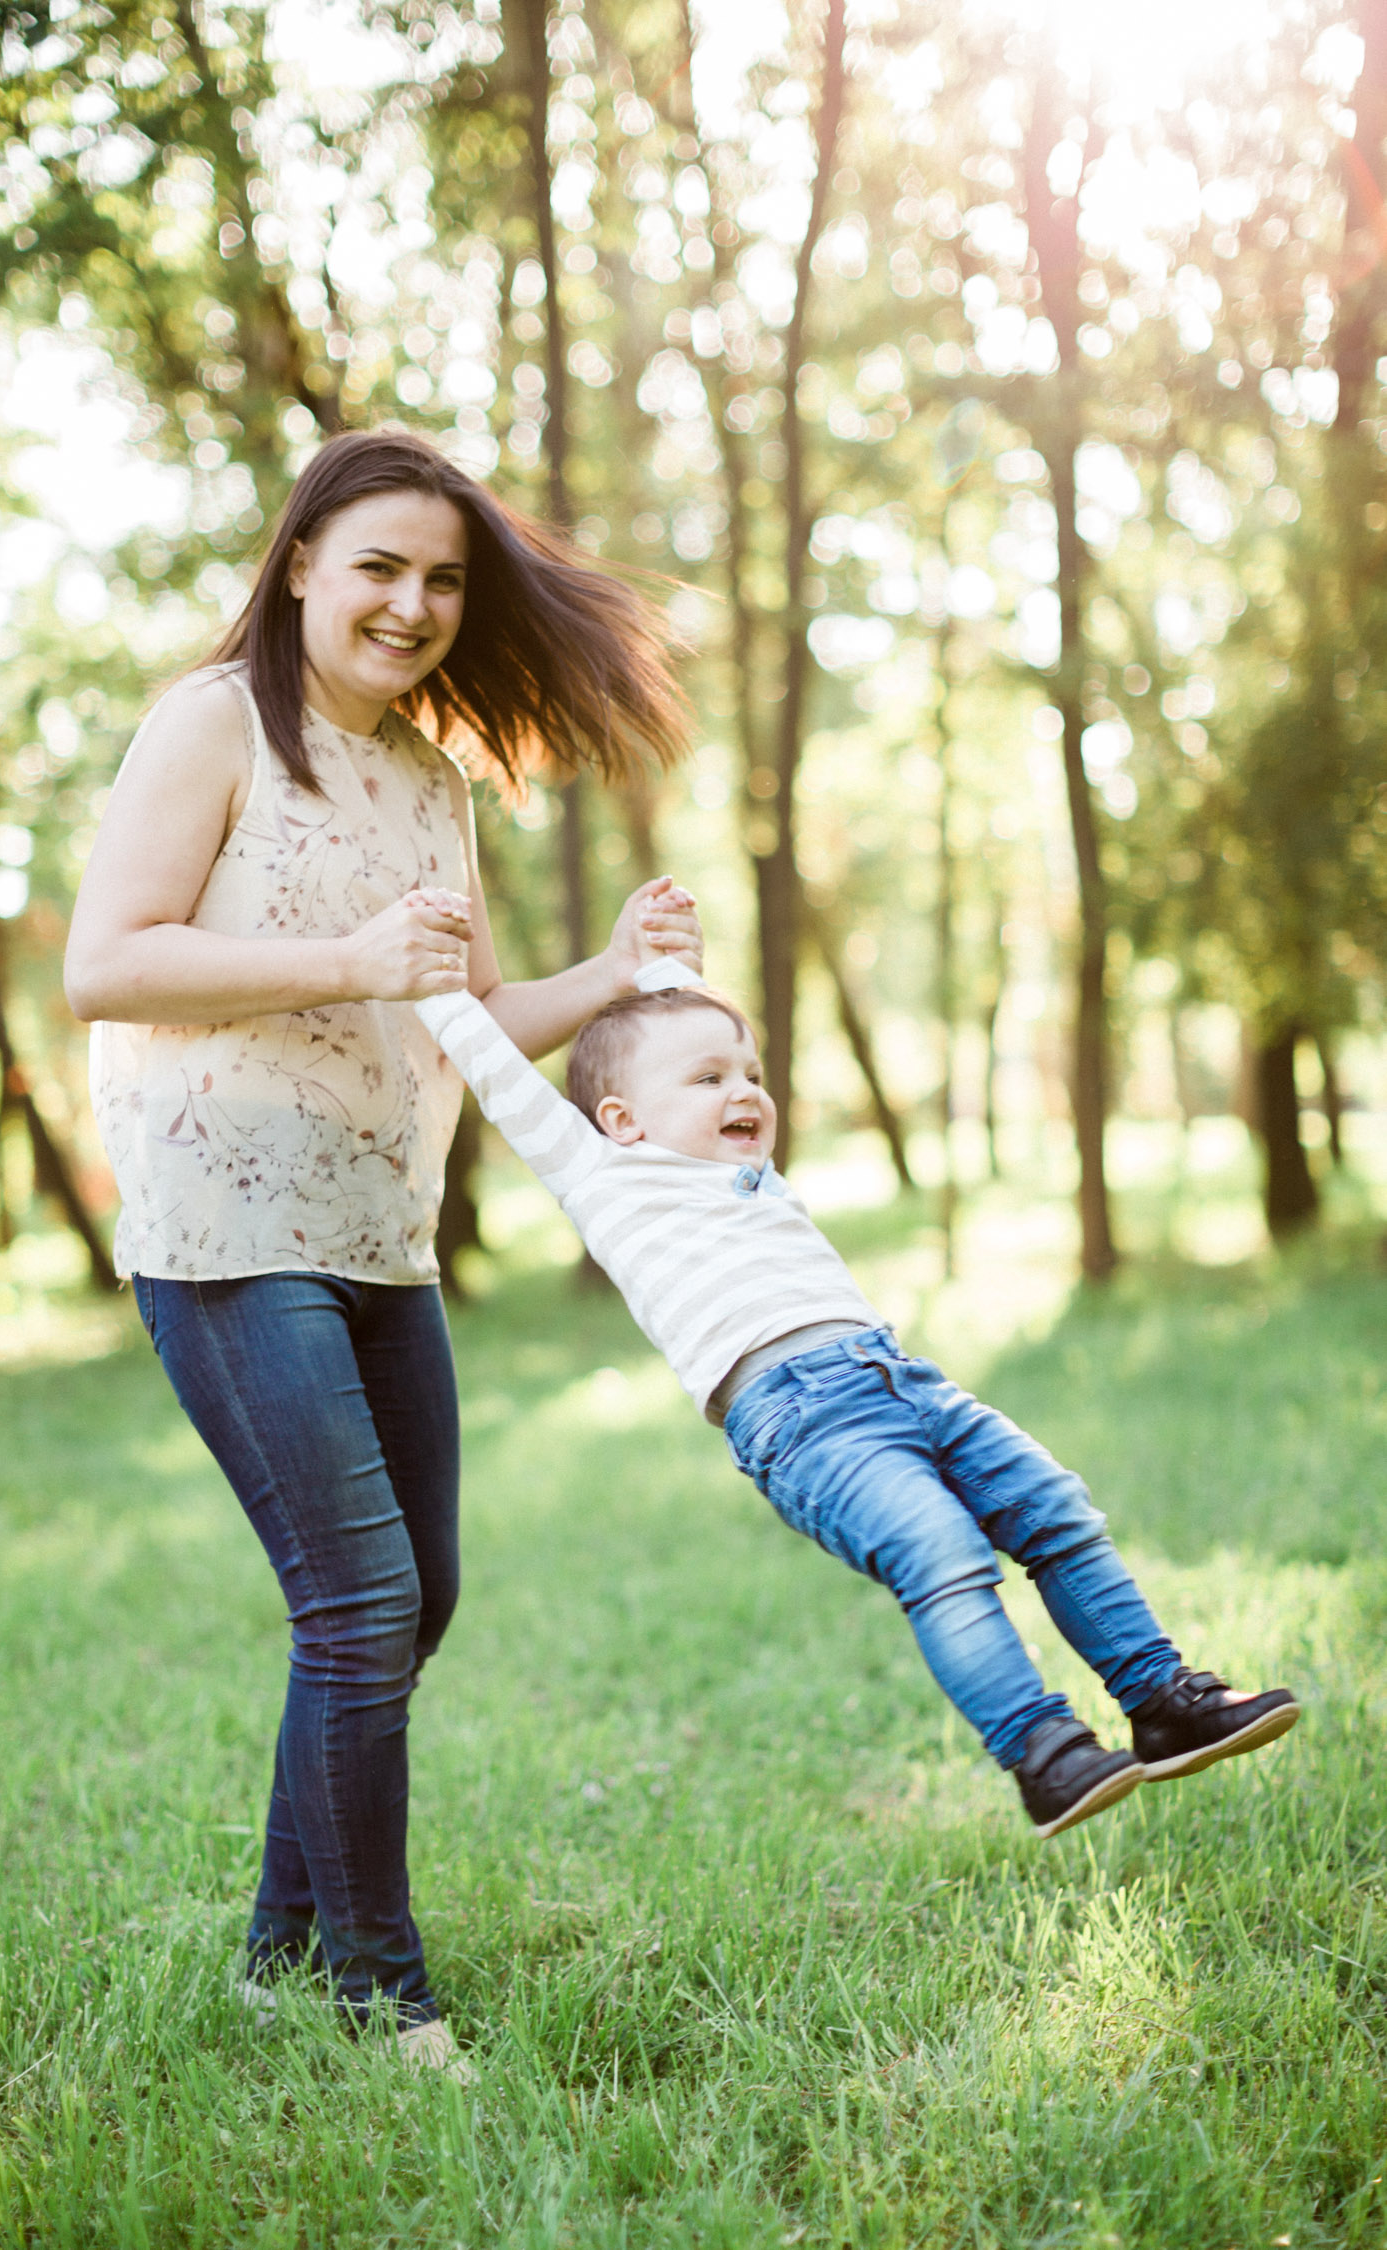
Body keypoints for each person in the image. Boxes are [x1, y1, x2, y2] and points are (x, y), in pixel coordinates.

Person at [63, 428, 702, 2070]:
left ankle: (279, 1955)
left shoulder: (430, 780)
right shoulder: (211, 725)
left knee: (416, 1600)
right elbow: (104, 963)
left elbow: (462, 1013)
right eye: (379, 567)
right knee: (357, 1600)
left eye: (442, 579)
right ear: (299, 566)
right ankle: (378, 1992)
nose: (412, 604)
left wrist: (614, 972)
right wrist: (346, 956)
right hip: (226, 1231)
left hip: (381, 1233)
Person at [409, 936, 1300, 1840]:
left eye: (751, 1074)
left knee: (1054, 1507)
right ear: (621, 1119)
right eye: (709, 1080)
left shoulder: (749, 1176)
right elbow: (499, 1075)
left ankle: (1161, 1700)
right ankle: (1044, 1751)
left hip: (904, 1379)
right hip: (801, 1423)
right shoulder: (602, 1174)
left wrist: (663, 957)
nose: (744, 1091)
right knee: (941, 1550)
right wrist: (428, 986)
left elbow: (695, 1024)